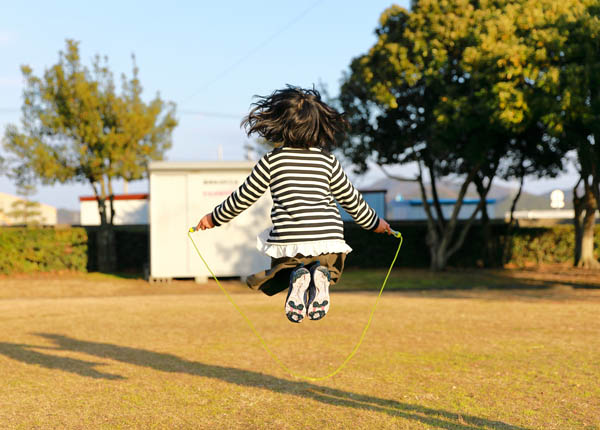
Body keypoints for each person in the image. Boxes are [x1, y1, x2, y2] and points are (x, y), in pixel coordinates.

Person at [196, 86, 391, 323]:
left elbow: (243, 197)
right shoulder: (327, 161)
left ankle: (297, 277)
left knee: (286, 268)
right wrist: (376, 223)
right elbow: (352, 200)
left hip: (291, 240)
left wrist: (213, 218)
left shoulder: (272, 161)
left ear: (281, 124)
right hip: (327, 238)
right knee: (329, 265)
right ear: (319, 125)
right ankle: (322, 275)